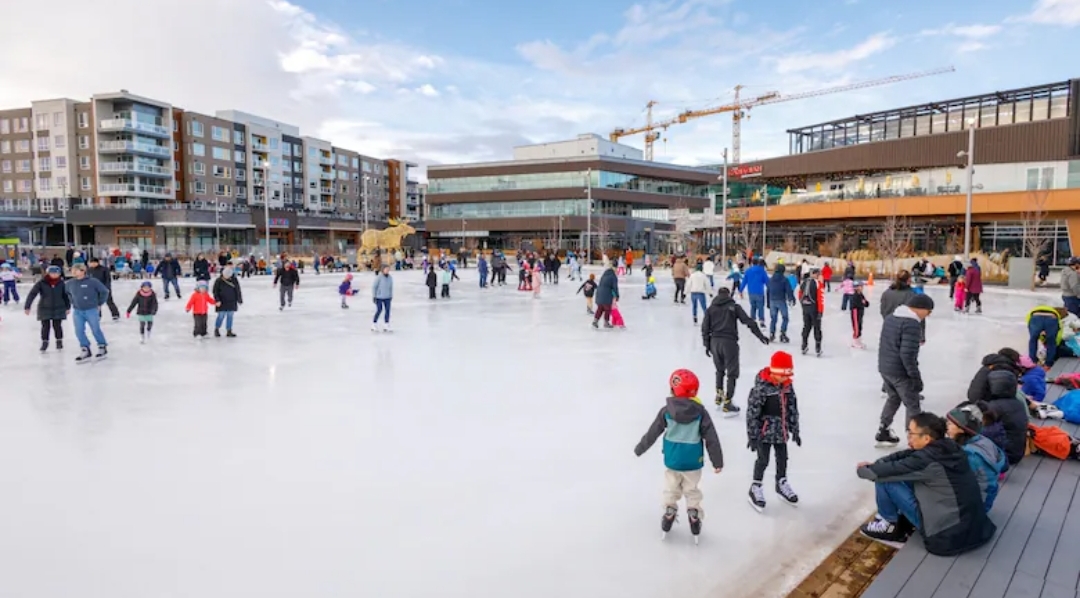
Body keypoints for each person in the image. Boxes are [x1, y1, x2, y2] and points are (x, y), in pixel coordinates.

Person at [857, 412, 997, 555]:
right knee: (900, 476)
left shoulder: (926, 461)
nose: (908, 437)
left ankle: (889, 527)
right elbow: (907, 455)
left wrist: (864, 469)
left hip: (945, 537)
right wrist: (878, 463)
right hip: (974, 529)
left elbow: (878, 473)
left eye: (911, 433)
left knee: (886, 480)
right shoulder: (950, 447)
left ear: (926, 438)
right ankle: (890, 519)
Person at [634, 369, 724, 542]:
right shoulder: (700, 412)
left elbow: (653, 432)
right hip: (693, 461)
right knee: (692, 490)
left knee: (671, 488)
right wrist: (717, 461)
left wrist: (640, 448)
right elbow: (711, 438)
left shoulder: (666, 411)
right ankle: (694, 513)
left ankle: (669, 510)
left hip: (673, 459)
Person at [745, 351, 801, 512]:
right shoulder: (762, 388)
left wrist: (794, 429)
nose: (786, 379)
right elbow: (752, 413)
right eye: (784, 375)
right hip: (765, 433)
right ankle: (756, 485)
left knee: (783, 458)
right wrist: (753, 435)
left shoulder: (787, 387)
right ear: (776, 373)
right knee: (763, 460)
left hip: (781, 431)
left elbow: (792, 408)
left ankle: (781, 482)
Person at [702, 287, 770, 416]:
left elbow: (705, 328)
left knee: (719, 370)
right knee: (732, 373)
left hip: (715, 342)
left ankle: (719, 395)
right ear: (728, 295)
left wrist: (707, 345)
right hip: (729, 342)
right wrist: (760, 336)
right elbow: (749, 322)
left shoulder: (711, 309)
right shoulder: (734, 307)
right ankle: (728, 402)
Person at [877, 294, 934, 447]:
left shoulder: (891, 318)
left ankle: (884, 428)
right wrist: (915, 377)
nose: (928, 316)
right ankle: (914, 439)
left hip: (885, 367)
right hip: (900, 371)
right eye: (928, 312)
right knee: (913, 405)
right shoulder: (911, 324)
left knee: (894, 397)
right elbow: (907, 354)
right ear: (920, 309)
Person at [945, 403, 1005, 512]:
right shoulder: (982, 441)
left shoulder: (969, 455)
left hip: (974, 508)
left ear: (961, 429)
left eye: (949, 424)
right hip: (985, 499)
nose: (946, 427)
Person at [65, 263, 110, 363]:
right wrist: (71, 303)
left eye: (76, 270)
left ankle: (102, 346)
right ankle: (85, 348)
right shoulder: (70, 283)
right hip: (78, 311)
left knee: (95, 329)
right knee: (79, 331)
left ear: (82, 271)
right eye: (72, 270)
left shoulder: (92, 281)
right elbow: (66, 294)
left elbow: (104, 291)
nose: (73, 272)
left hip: (91, 310)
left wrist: (99, 303)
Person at [24, 265, 70, 352]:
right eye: (53, 273)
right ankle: (45, 342)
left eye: (57, 273)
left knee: (57, 326)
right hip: (44, 307)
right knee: (45, 326)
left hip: (59, 307)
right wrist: (27, 306)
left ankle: (59, 341)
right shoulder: (41, 283)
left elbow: (65, 296)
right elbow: (32, 294)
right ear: (48, 273)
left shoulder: (61, 283)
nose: (55, 275)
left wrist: (68, 307)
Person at [798, 268, 824, 356]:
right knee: (817, 327)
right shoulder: (818, 283)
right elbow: (820, 298)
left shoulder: (804, 282)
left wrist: (803, 305)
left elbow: (799, 294)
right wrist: (820, 311)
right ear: (816, 274)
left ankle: (804, 345)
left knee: (806, 326)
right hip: (814, 308)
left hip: (805, 307)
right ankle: (818, 347)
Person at [766, 264, 795, 344]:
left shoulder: (771, 279)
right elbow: (789, 290)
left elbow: (768, 291)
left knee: (773, 318)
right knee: (785, 318)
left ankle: (772, 333)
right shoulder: (784, 280)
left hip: (772, 300)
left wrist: (768, 302)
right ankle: (783, 333)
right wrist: (791, 299)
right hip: (781, 300)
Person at [86, 257, 120, 321]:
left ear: (97, 262)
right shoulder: (89, 270)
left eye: (93, 263)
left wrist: (107, 288)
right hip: (94, 289)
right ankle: (98, 315)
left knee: (109, 301)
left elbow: (108, 279)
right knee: (96, 303)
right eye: (91, 263)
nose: (92, 264)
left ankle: (115, 314)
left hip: (104, 288)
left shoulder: (104, 269)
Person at [212, 267, 242, 338]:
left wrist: (239, 299)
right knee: (221, 316)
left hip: (232, 301)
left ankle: (229, 330)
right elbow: (215, 292)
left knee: (230, 316)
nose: (226, 277)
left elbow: (237, 290)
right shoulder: (218, 281)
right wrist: (217, 300)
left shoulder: (234, 280)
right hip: (222, 302)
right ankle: (217, 329)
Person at [740, 257, 769, 328]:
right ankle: (761, 321)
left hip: (751, 292)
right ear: (758, 263)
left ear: (752, 263)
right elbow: (767, 281)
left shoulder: (748, 271)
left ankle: (752, 320)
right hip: (759, 292)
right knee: (760, 307)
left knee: (753, 307)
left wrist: (741, 290)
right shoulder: (762, 271)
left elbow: (744, 282)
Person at [593, 264, 619, 328]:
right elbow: (615, 287)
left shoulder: (604, 275)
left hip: (599, 293)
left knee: (600, 308)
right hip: (606, 294)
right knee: (607, 309)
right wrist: (617, 295)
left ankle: (595, 321)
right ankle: (606, 323)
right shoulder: (613, 276)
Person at [371, 265, 394, 332]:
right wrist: (374, 296)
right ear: (383, 270)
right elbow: (374, 287)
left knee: (387, 311)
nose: (387, 271)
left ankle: (386, 325)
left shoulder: (390, 277)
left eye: (388, 269)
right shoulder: (379, 277)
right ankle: (374, 324)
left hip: (387, 297)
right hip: (379, 297)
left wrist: (391, 295)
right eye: (386, 269)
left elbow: (391, 287)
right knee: (379, 310)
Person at [850, 281, 870, 349]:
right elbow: (854, 305)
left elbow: (866, 303)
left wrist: (865, 303)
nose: (862, 288)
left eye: (862, 286)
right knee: (856, 327)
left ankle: (858, 341)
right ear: (856, 288)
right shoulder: (855, 296)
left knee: (860, 326)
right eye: (860, 286)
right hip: (856, 312)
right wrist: (862, 303)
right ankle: (855, 342)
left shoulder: (861, 295)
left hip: (860, 312)